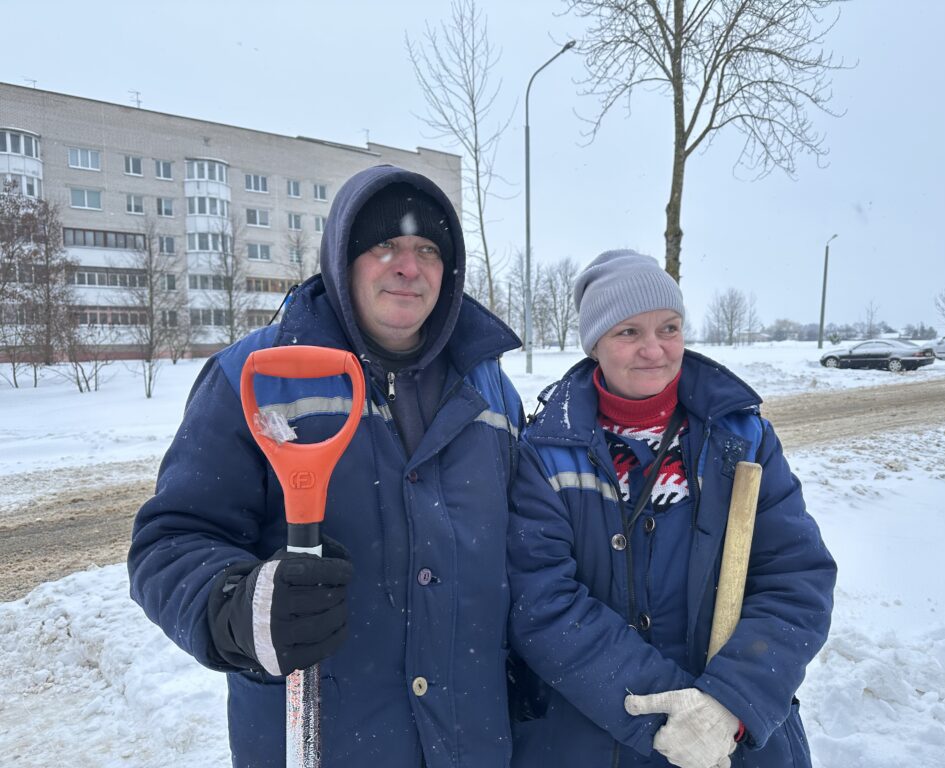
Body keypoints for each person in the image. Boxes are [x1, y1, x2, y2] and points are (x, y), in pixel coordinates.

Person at [128, 164, 524, 767]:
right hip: (324, 742)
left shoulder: (492, 393)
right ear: (343, 258)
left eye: (426, 249)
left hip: (470, 744)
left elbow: (528, 556)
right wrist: (238, 608)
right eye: (384, 245)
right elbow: (171, 540)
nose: (407, 267)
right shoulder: (255, 377)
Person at [507, 249, 836, 768]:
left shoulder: (742, 439)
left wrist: (729, 704)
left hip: (733, 736)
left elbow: (796, 576)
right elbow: (542, 602)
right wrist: (667, 713)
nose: (654, 350)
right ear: (595, 345)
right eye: (628, 332)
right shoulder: (547, 452)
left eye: (669, 327)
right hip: (593, 734)